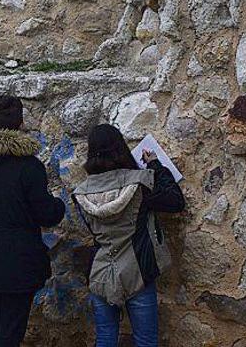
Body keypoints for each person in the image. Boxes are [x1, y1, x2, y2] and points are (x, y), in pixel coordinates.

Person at [0, 94, 66, 347]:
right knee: (11, 329)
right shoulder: (28, 166)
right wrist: (59, 205)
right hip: (20, 259)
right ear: (20, 123)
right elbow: (46, 213)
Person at [72, 124, 185, 347]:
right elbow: (175, 201)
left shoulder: (80, 193)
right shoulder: (140, 182)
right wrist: (155, 165)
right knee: (145, 341)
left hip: (101, 273)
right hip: (138, 271)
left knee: (105, 339)